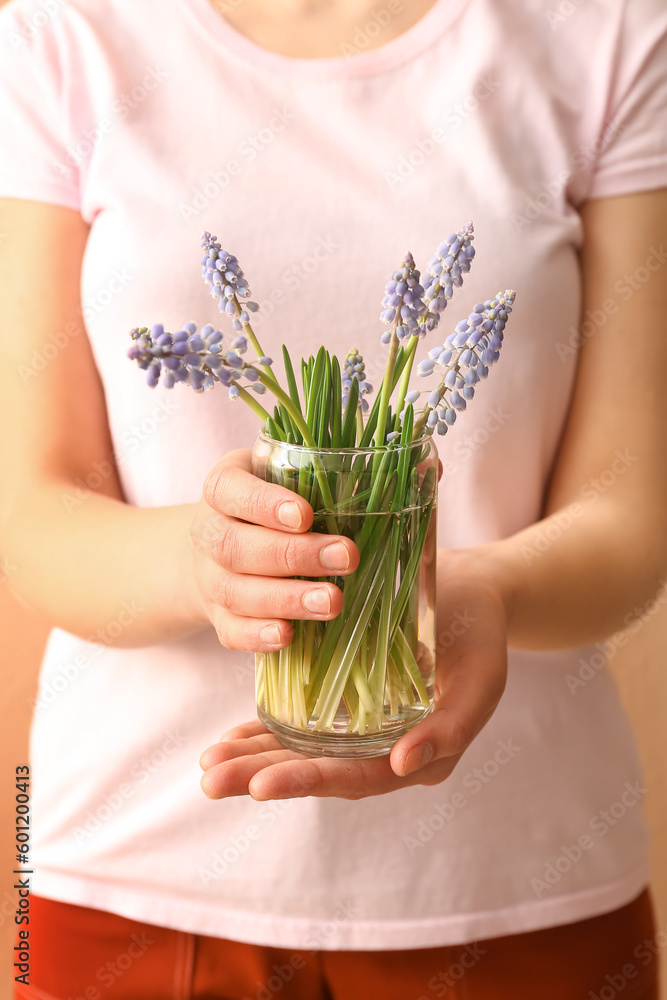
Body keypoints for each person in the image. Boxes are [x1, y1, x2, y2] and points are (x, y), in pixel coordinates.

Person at [1, 0, 666, 996]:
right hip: (134, 879)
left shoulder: (610, 31)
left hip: (516, 878)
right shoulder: (62, 32)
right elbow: (34, 512)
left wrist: (480, 593)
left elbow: (631, 518)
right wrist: (203, 559)